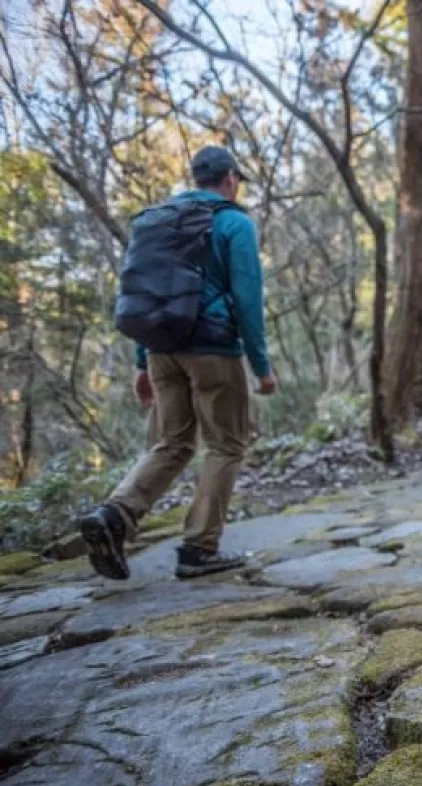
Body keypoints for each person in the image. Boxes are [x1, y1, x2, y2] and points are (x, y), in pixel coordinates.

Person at [79, 145, 276, 581]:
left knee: (171, 444)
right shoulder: (233, 222)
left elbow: (140, 292)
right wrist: (261, 366)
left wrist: (142, 361)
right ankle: (199, 548)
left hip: (161, 348)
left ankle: (115, 514)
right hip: (213, 351)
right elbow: (247, 298)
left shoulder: (159, 222)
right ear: (229, 179)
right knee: (226, 444)